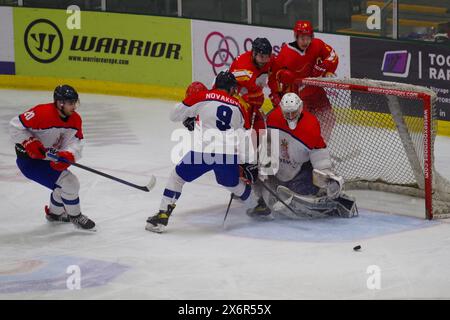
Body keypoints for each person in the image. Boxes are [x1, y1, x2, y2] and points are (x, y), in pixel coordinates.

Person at [145, 71, 258, 233]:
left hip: (203, 151)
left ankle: (162, 215)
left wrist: (190, 116)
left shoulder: (203, 96)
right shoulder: (239, 106)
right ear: (231, 89)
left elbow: (174, 115)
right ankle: (257, 205)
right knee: (231, 184)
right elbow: (245, 136)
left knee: (177, 178)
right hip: (227, 153)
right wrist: (248, 162)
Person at [248, 92, 357, 219]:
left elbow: (319, 153)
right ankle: (261, 202)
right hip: (279, 166)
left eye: (293, 113)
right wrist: (261, 165)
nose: (290, 116)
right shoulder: (273, 118)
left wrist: (326, 175)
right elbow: (267, 142)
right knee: (257, 177)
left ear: (300, 108)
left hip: (300, 169)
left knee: (304, 187)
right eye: (286, 113)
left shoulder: (310, 125)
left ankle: (327, 199)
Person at [9, 85, 95, 230]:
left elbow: (77, 142)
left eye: (75, 102)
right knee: (70, 183)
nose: (74, 106)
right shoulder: (41, 113)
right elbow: (14, 126)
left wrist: (68, 155)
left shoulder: (75, 119)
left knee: (64, 186)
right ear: (59, 103)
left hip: (51, 159)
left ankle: (55, 214)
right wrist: (29, 142)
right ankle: (75, 216)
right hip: (30, 161)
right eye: (70, 103)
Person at [268, 20, 338, 141]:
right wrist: (275, 95)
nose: (305, 42)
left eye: (308, 38)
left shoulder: (317, 44)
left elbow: (332, 55)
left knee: (329, 119)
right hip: (298, 98)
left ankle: (320, 144)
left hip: (317, 93)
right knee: (302, 126)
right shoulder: (286, 52)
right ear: (296, 36)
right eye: (302, 38)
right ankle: (302, 148)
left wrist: (325, 66)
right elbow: (274, 75)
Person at [229, 37, 275, 131]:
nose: (264, 60)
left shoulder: (269, 60)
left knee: (261, 129)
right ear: (254, 53)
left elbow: (275, 76)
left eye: (267, 57)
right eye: (262, 57)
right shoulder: (242, 67)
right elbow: (229, 89)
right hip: (238, 99)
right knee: (243, 129)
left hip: (256, 98)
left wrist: (275, 94)